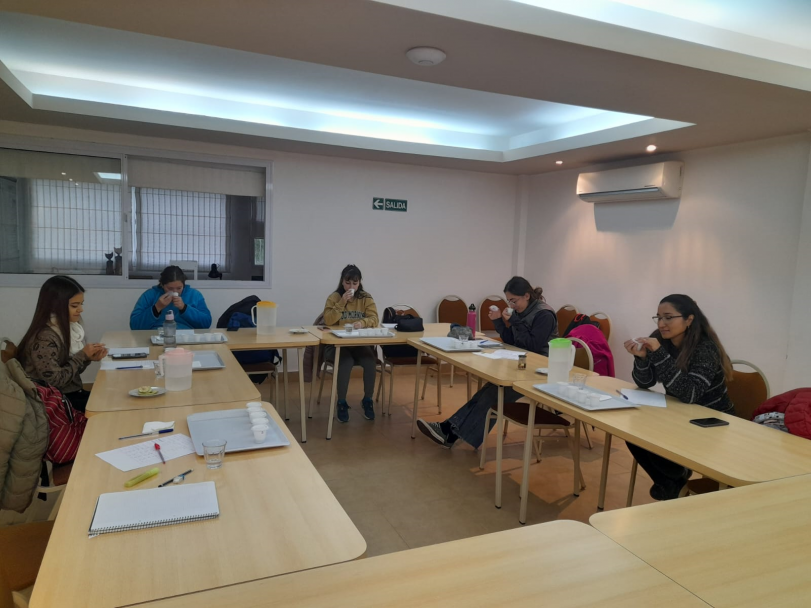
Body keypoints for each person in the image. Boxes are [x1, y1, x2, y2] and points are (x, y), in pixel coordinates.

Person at [417, 277, 558, 449]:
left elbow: (533, 346)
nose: (511, 305)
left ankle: (449, 432)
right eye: (509, 301)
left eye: (514, 301)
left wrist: (513, 321)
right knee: (490, 390)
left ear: (526, 296)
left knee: (495, 395)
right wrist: (499, 321)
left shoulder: (544, 314)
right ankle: (449, 430)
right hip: (523, 364)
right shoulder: (522, 311)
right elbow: (512, 340)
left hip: (541, 370)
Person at [623, 294, 734, 501]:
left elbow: (690, 393)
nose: (662, 324)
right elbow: (645, 382)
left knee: (654, 441)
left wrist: (658, 354)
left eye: (668, 317)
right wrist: (641, 359)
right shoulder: (662, 339)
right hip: (680, 414)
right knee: (634, 435)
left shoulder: (705, 348)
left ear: (689, 319)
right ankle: (672, 481)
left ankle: (672, 481)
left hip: (712, 422)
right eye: (658, 318)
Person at [18, 275, 107, 412]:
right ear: (55, 306)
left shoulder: (63, 329)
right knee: (110, 405)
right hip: (55, 403)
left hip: (69, 395)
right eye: (74, 305)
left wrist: (88, 358)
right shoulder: (44, 339)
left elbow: (70, 375)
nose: (80, 310)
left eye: (81, 304)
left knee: (112, 398)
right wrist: (81, 356)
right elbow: (55, 381)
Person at [322, 264, 379, 423]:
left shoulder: (365, 298)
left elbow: (375, 319)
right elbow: (328, 320)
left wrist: (363, 322)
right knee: (346, 363)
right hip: (336, 345)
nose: (351, 287)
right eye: (348, 283)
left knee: (370, 362)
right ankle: (341, 402)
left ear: (359, 283)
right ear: (342, 282)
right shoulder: (334, 297)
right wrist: (341, 302)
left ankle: (367, 400)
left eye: (355, 283)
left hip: (359, 344)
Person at [130, 265, 212, 330]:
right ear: (162, 284)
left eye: (179, 288)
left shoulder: (194, 295)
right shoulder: (150, 295)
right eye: (169, 288)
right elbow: (134, 326)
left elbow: (206, 324)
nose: (175, 292)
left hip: (186, 336)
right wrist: (157, 308)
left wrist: (184, 308)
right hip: (157, 335)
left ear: (184, 285)